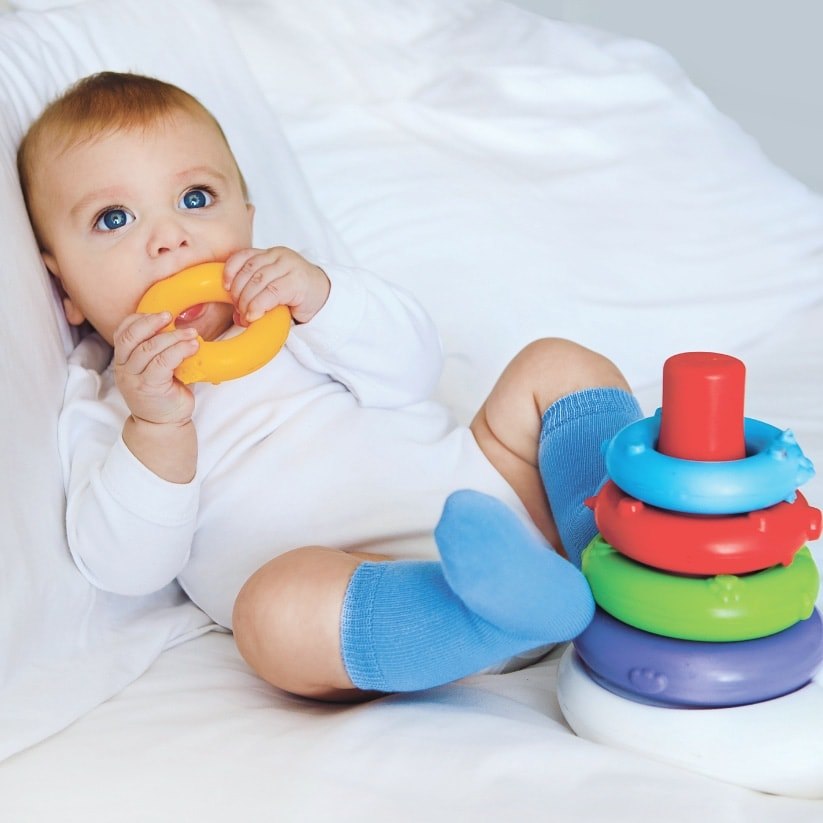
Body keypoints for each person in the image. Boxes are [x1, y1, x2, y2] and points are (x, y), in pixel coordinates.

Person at [18, 71, 642, 701]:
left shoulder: (294, 311)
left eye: (196, 198)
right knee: (273, 616)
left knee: (556, 365)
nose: (169, 238)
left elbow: (414, 373)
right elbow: (128, 569)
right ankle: (490, 617)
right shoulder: (107, 408)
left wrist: (322, 298)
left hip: (494, 497)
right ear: (64, 286)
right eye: (114, 218)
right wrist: (156, 428)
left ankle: (617, 561)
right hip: (373, 592)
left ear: (248, 222)